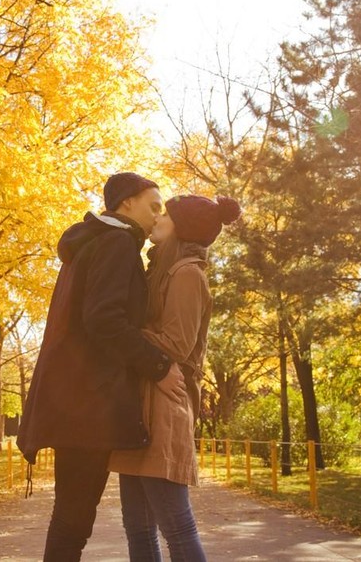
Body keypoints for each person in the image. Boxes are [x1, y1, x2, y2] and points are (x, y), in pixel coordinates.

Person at [17, 172, 188, 562]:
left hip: (77, 401)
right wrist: (159, 366)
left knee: (70, 519)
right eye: (153, 206)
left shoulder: (94, 243)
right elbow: (104, 321)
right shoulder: (116, 243)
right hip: (87, 406)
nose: (157, 216)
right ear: (127, 203)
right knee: (73, 522)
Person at [109, 193, 242, 562]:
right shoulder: (161, 270)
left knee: (177, 528)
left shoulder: (187, 275)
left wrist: (122, 334)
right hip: (141, 403)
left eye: (166, 213)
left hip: (165, 405)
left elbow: (177, 344)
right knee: (137, 528)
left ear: (181, 228)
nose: (158, 218)